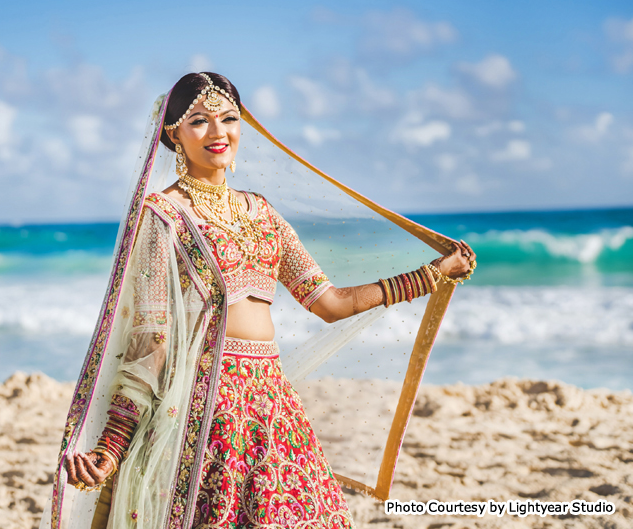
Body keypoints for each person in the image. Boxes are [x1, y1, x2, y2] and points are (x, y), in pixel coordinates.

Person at [43, 72, 476, 529]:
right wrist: (110, 450)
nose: (218, 132)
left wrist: (430, 275)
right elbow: (151, 341)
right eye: (199, 121)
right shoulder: (164, 216)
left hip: (272, 404)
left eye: (229, 118)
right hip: (203, 408)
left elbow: (330, 303)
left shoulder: (263, 211)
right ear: (173, 135)